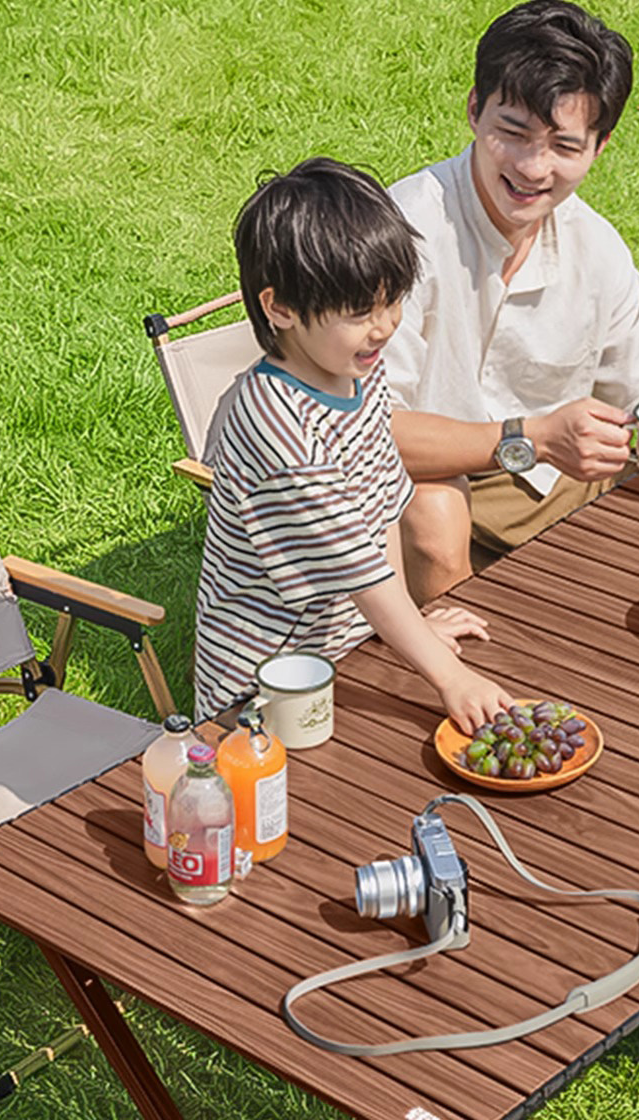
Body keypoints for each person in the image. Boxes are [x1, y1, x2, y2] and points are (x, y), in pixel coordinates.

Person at [381, 0, 639, 601]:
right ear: (474, 109)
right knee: (435, 511)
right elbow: (359, 432)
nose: (532, 168)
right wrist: (535, 437)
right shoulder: (404, 233)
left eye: (564, 147)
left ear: (599, 148)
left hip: (553, 486)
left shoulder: (595, 249)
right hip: (426, 480)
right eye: (513, 133)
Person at [194, 158, 511, 732]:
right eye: (361, 312)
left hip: (350, 647)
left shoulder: (356, 372)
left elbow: (386, 502)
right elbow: (359, 568)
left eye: (392, 303)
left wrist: (404, 629)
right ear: (279, 308)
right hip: (263, 690)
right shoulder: (278, 431)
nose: (386, 327)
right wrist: (448, 675)